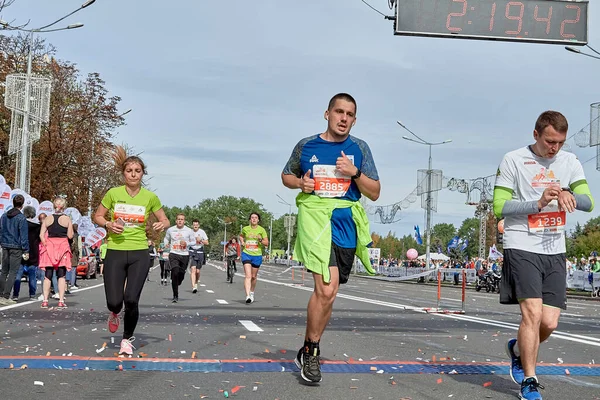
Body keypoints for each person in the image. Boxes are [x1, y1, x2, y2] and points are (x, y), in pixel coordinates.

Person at [494, 111, 594, 400]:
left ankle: (517, 350)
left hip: (554, 247)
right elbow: (499, 206)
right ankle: (529, 379)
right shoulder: (513, 160)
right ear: (536, 134)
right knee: (533, 313)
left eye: (560, 142)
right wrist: (538, 202)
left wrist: (567, 192)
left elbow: (588, 202)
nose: (555, 148)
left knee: (549, 322)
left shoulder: (569, 162)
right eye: (550, 141)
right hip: (522, 243)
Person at [281, 93, 380, 383]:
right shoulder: (307, 145)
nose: (344, 118)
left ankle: (309, 344)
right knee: (325, 288)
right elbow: (286, 176)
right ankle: (311, 352)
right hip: (316, 221)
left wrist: (355, 173)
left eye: (349, 114)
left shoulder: (359, 148)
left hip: (345, 224)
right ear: (327, 114)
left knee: (331, 292)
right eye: (339, 112)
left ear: (355, 119)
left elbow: (374, 191)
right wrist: (302, 183)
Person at [93, 146, 170, 357]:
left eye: (138, 170)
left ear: (143, 173)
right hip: (116, 250)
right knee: (114, 301)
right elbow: (98, 216)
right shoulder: (113, 193)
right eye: (130, 171)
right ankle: (114, 312)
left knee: (132, 299)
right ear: (123, 173)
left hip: (139, 252)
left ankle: (126, 339)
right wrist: (108, 224)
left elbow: (165, 219)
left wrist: (161, 224)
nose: (134, 174)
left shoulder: (150, 197)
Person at [39, 197, 73, 309]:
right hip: (63, 247)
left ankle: (45, 300)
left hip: (50, 247)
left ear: (54, 206)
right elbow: (70, 236)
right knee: (61, 275)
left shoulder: (47, 218)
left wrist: (46, 244)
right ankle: (61, 300)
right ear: (64, 206)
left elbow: (41, 235)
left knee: (48, 275)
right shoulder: (67, 219)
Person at [0, 194, 29, 305]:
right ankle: (6, 296)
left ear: (13, 202)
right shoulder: (21, 218)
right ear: (22, 205)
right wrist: (26, 250)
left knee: (4, 271)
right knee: (13, 272)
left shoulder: (3, 216)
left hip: (5, 245)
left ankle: (0, 294)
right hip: (16, 247)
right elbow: (24, 236)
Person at [163, 214, 196, 303]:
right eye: (178, 219)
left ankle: (179, 279)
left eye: (182, 219)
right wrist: (166, 243)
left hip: (184, 254)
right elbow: (166, 238)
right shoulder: (171, 230)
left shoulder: (189, 231)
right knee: (175, 272)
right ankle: (175, 295)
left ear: (184, 221)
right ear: (176, 221)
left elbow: (193, 241)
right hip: (174, 253)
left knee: (181, 273)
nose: (180, 221)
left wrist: (186, 244)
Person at [239, 212, 268, 304]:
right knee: (248, 276)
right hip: (246, 253)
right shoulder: (245, 229)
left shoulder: (262, 230)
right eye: (252, 218)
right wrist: (242, 242)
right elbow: (241, 236)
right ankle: (247, 296)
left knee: (253, 276)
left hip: (257, 255)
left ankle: (252, 292)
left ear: (258, 220)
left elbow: (266, 243)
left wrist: (260, 239)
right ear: (250, 219)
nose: (254, 219)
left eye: (256, 218)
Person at [13, 206, 41, 301]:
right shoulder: (38, 227)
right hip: (33, 253)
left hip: (21, 251)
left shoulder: (20, 224)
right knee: (32, 276)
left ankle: (15, 295)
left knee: (18, 275)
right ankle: (32, 295)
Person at [188, 219, 209, 293]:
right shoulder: (189, 232)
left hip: (200, 251)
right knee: (193, 269)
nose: (195, 226)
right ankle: (193, 286)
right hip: (192, 251)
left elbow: (207, 242)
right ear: (192, 225)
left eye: (196, 225)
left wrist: (201, 240)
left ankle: (196, 282)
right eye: (194, 225)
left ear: (199, 225)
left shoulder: (202, 232)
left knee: (197, 271)